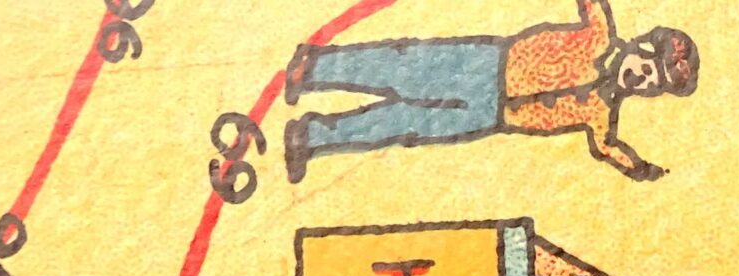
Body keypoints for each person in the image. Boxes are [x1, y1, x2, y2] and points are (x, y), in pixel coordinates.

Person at [282, 0, 698, 184]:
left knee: (405, 124)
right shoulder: (601, 33)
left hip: (490, 116)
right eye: (648, 69)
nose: (642, 80)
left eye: (652, 85)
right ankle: (313, 67)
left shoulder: (600, 110)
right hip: (487, 64)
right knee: (401, 67)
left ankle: (310, 137)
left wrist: (641, 168)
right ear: (643, 46)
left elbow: (607, 146)